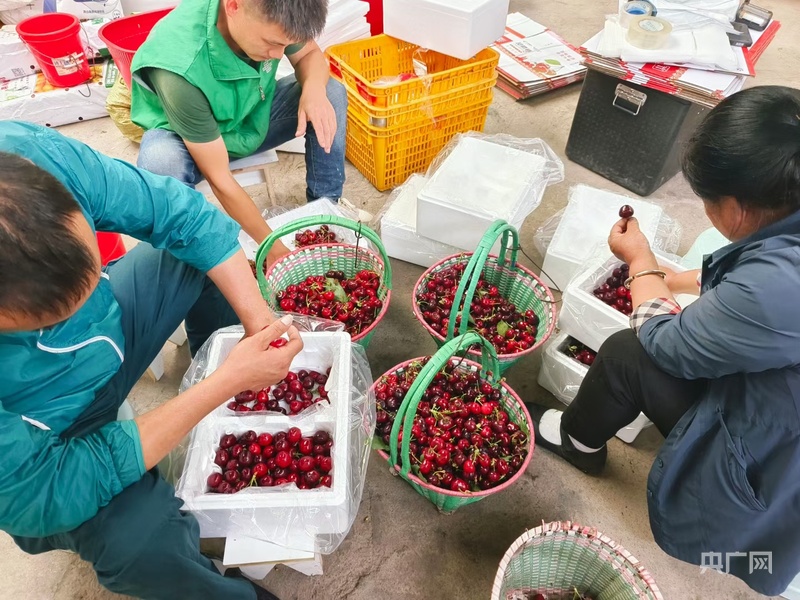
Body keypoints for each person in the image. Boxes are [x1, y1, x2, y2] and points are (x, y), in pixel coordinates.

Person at [0, 120, 303, 600]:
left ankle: (217, 361)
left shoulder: (27, 157)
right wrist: (222, 385)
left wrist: (260, 328)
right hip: (50, 433)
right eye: (56, 315)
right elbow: (40, 491)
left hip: (109, 337)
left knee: (199, 256)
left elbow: (183, 216)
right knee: (142, 545)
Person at [526, 85, 800, 597]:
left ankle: (580, 442)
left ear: (736, 210)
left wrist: (640, 262)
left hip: (778, 462)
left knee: (628, 353)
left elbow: (664, 340)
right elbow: (763, 276)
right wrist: (680, 280)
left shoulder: (778, 289)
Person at [130, 0, 347, 264]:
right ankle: (183, 265)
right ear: (234, 5)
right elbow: (218, 177)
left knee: (329, 93)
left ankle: (326, 209)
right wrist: (272, 247)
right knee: (161, 165)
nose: (279, 55)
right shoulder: (179, 66)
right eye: (272, 43)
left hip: (248, 117)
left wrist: (313, 89)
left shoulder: (274, 15)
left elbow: (308, 54)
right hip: (189, 142)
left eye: (284, 45)